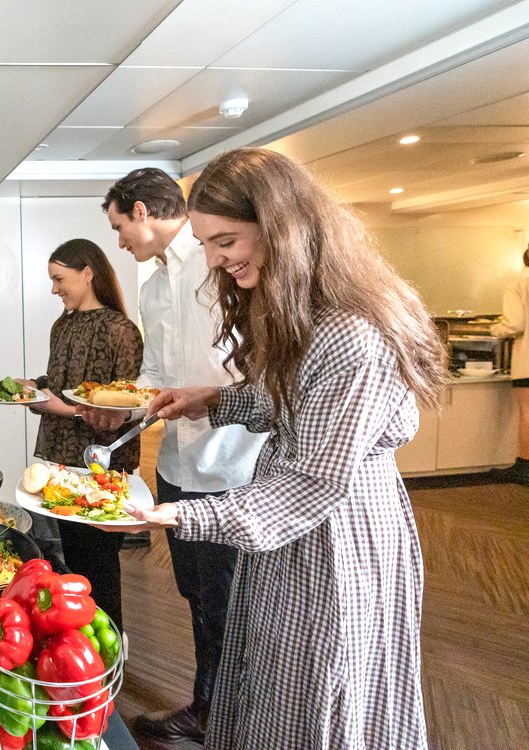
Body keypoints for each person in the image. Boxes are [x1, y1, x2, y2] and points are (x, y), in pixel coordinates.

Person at [125, 148, 447, 749]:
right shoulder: (306, 312)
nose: (216, 260)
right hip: (297, 534)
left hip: (337, 536)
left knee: (312, 691)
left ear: (282, 227)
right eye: (207, 243)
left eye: (226, 242)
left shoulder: (351, 332)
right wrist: (213, 401)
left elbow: (313, 484)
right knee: (269, 681)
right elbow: (289, 401)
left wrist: (176, 513)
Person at [79, 167, 267, 743]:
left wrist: (205, 400)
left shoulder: (222, 269)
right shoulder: (153, 284)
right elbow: (157, 374)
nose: (119, 243)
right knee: (194, 591)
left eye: (118, 227)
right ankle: (208, 707)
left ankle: (234, 717)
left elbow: (254, 369)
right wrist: (122, 407)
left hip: (230, 463)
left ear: (141, 212)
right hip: (177, 467)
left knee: (229, 602)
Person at [27, 238, 144, 630]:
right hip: (60, 462)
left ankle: (112, 640)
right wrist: (31, 386)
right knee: (74, 561)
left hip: (101, 468)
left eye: (59, 279)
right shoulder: (62, 325)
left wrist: (64, 408)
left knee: (99, 563)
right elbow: (63, 383)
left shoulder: (121, 330)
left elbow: (126, 405)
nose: (54, 288)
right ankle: (79, 637)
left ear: (88, 273)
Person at [490, 243, 529, 484]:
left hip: (527, 360)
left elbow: (514, 324)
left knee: (527, 412)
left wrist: (493, 328)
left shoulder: (518, 284)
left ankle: (524, 465)